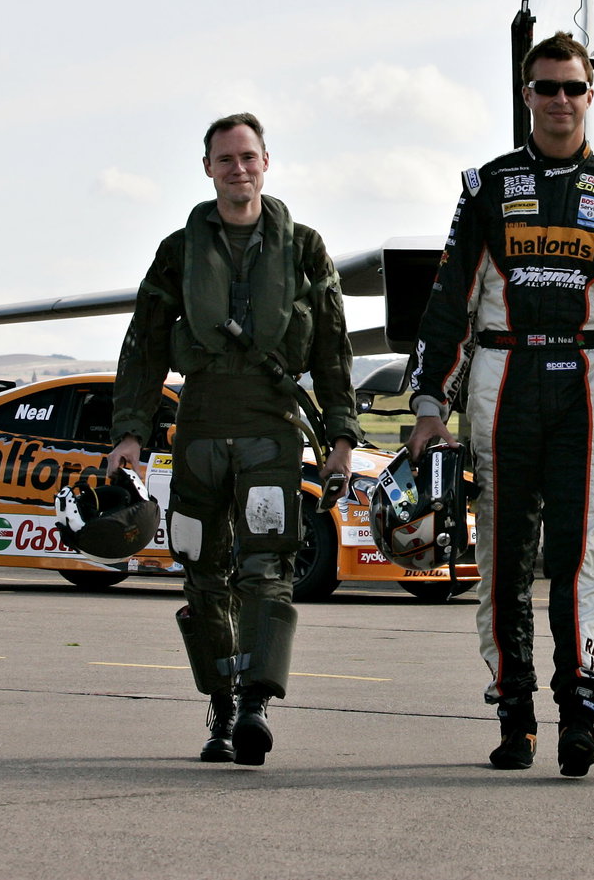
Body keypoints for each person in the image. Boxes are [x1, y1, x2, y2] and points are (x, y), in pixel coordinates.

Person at [406, 31, 594, 778]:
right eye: (547, 87)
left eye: (574, 88)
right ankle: (514, 710)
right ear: (526, 95)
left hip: (589, 377)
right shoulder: (484, 187)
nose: (561, 99)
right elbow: (445, 304)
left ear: (593, 96)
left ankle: (580, 709)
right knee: (500, 559)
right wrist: (431, 401)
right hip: (500, 375)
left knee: (580, 558)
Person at [106, 112, 359, 767]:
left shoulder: (304, 247)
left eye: (248, 157)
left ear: (266, 162)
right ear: (208, 168)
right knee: (199, 567)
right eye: (226, 159)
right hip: (199, 427)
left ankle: (254, 704)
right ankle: (218, 704)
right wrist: (130, 434)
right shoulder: (178, 250)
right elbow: (143, 346)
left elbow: (333, 348)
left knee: (267, 566)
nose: (238, 168)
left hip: (271, 429)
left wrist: (340, 433)